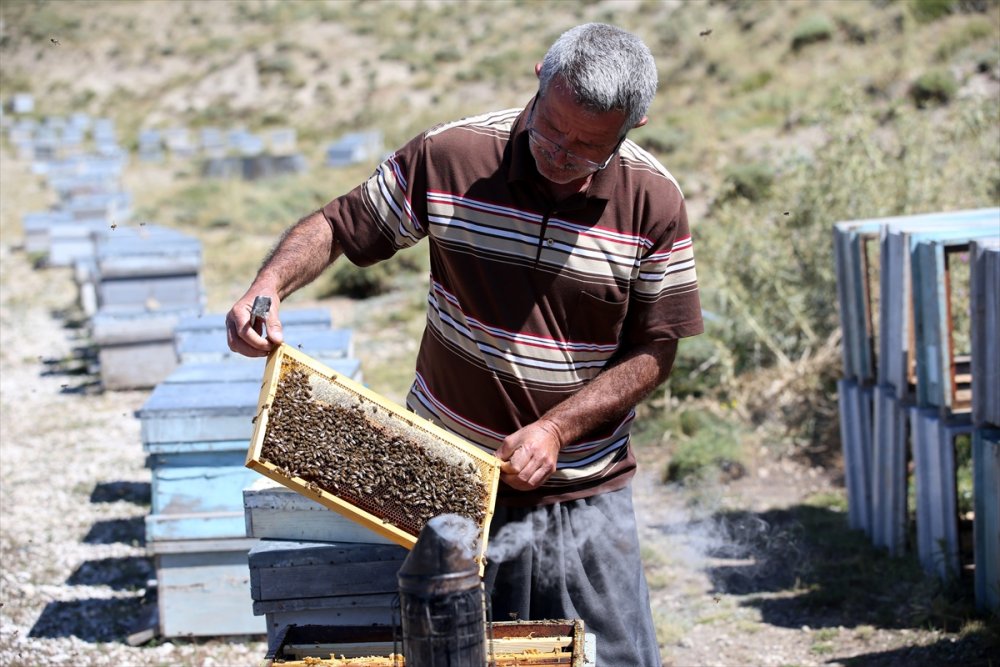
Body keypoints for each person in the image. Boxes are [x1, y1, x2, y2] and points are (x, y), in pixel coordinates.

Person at [227, 22, 703, 665]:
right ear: (539, 77)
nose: (559, 154)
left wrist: (557, 429)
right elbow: (340, 225)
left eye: (587, 148)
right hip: (444, 476)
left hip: (583, 490)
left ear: (632, 125)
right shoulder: (451, 155)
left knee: (609, 656)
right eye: (549, 129)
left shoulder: (655, 201)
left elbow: (655, 351)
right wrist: (269, 283)